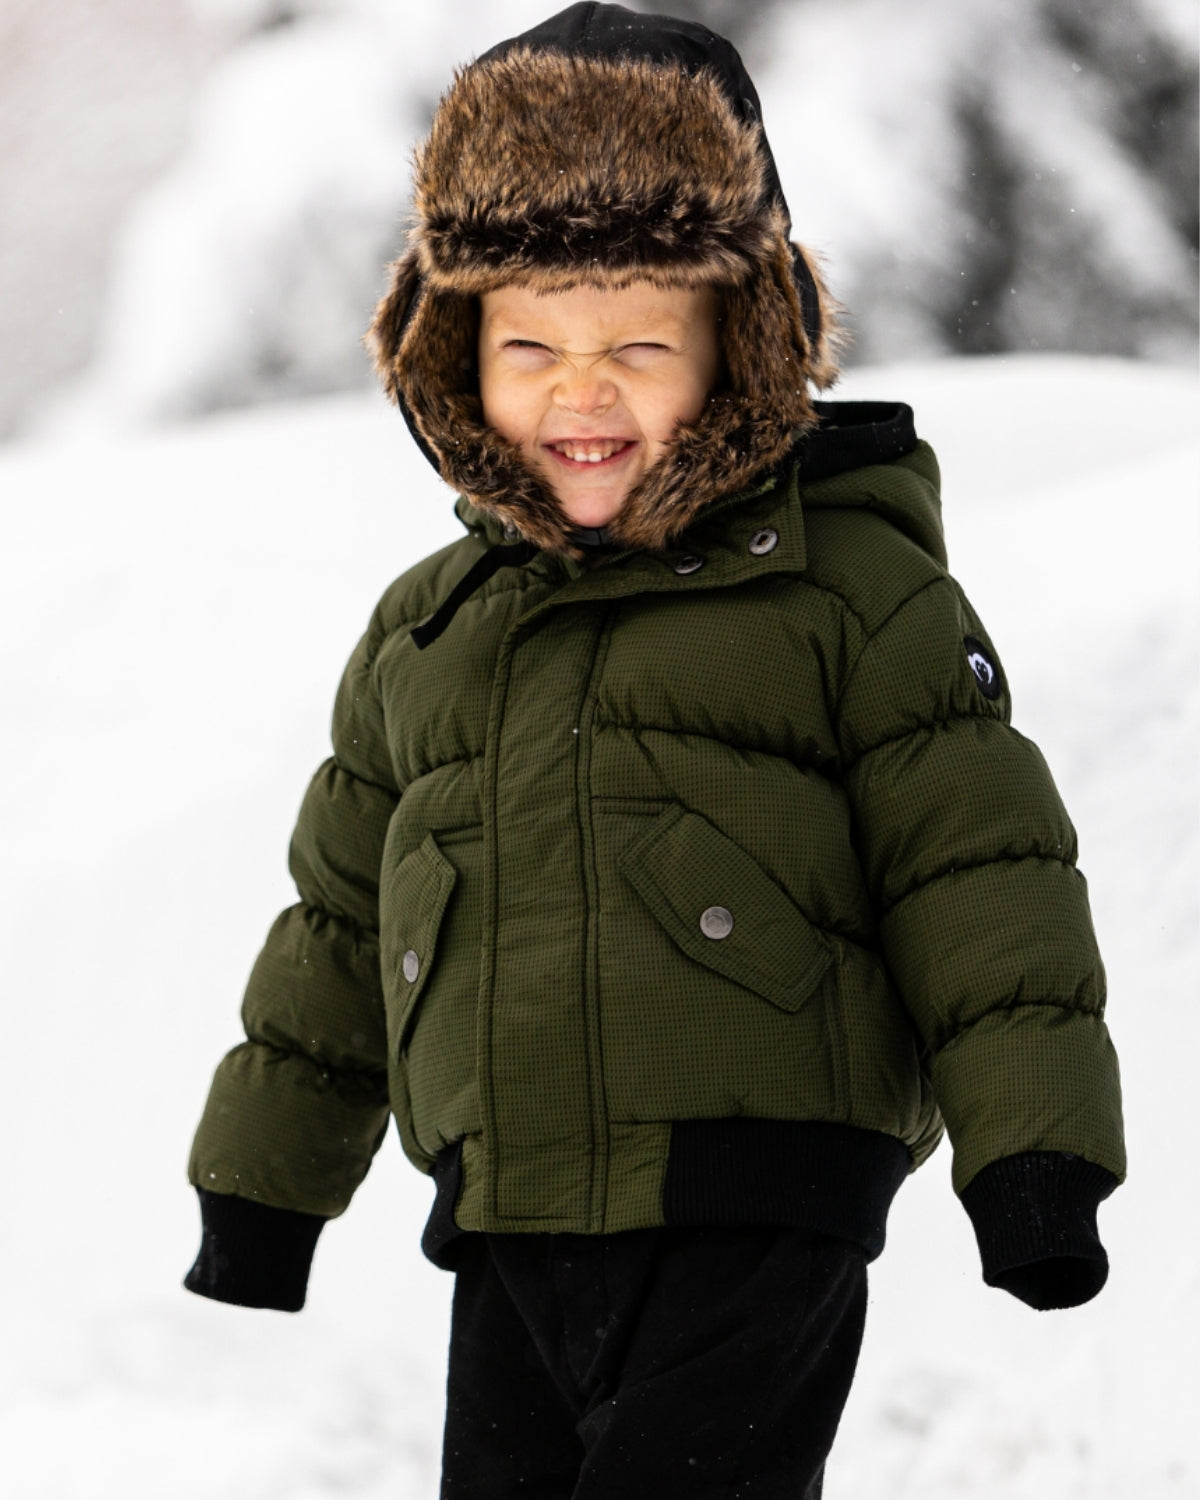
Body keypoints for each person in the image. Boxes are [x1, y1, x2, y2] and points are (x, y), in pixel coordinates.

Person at [184, 5, 1126, 1495]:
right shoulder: (433, 628)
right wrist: (263, 1188)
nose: (583, 390)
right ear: (452, 357)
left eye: (639, 343)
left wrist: (1036, 1162)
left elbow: (979, 869)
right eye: (529, 346)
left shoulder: (849, 588)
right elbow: (342, 918)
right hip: (506, 1208)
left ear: (740, 345)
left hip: (763, 1195)